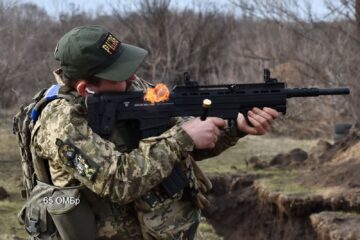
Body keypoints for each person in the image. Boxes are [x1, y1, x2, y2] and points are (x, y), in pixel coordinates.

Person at [23, 25, 279, 239]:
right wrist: (182, 138)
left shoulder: (130, 88)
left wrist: (235, 127)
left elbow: (186, 139)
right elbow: (117, 181)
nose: (133, 76)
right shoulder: (59, 123)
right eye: (119, 73)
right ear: (85, 89)